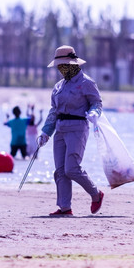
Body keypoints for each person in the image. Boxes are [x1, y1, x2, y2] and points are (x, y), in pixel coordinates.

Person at [37, 45, 104, 216]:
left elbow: (96, 103)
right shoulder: (58, 87)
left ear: (73, 64)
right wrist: (45, 132)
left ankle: (96, 194)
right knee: (60, 170)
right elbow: (54, 111)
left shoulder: (86, 83)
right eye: (59, 66)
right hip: (60, 129)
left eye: (63, 65)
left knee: (71, 168)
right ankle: (65, 208)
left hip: (78, 128)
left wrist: (94, 113)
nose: (60, 69)